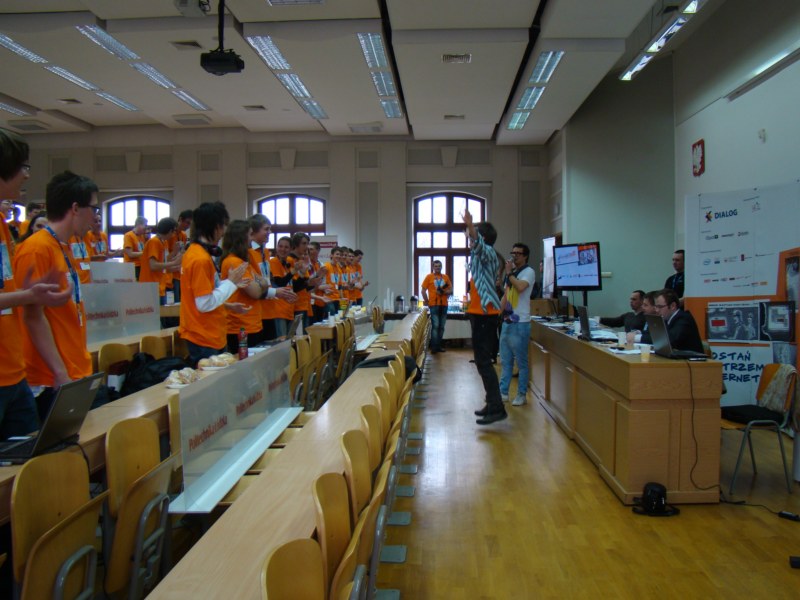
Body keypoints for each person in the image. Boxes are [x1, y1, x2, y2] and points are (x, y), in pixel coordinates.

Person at [0, 129, 73, 438]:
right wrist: (28, 295)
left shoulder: (2, 227)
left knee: (30, 459)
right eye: (23, 167)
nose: (27, 175)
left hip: (13, 372)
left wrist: (28, 295)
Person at [14, 171, 99, 418]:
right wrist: (60, 372)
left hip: (73, 369)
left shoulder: (64, 246)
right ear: (75, 208)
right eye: (93, 208)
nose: (96, 217)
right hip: (50, 378)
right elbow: (32, 317)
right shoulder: (37, 249)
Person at [178, 202, 249, 366]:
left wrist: (229, 297)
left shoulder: (197, 253)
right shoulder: (200, 259)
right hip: (203, 335)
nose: (223, 233)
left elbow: (204, 292)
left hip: (208, 332)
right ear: (216, 227)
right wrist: (230, 283)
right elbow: (204, 303)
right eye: (223, 226)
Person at [463, 209, 506, 425]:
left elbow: (479, 244)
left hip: (485, 315)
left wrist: (471, 227)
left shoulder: (488, 253)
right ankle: (491, 402)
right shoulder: (480, 256)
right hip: (479, 314)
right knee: (482, 363)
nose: (469, 238)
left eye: (472, 235)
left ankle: (497, 407)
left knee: (484, 363)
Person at [499, 243, 536, 406]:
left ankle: (521, 394)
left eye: (518, 253)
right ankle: (503, 392)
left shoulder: (529, 272)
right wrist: (498, 313)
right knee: (505, 360)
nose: (514, 256)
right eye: (513, 253)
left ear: (525, 256)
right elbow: (506, 295)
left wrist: (509, 273)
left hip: (521, 323)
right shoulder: (512, 274)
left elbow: (520, 287)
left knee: (521, 362)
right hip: (507, 321)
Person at [221, 220, 264, 352]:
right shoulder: (234, 262)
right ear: (241, 237)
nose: (252, 238)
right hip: (240, 325)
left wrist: (261, 283)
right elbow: (256, 292)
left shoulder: (244, 260)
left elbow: (265, 282)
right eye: (250, 234)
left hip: (251, 323)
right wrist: (260, 283)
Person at [138, 217, 182, 304]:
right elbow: (153, 265)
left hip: (159, 286)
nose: (174, 234)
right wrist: (174, 263)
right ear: (170, 231)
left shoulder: (163, 242)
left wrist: (176, 265)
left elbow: (163, 264)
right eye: (173, 231)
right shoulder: (154, 242)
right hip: (150, 288)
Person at [651, 288, 704, 353]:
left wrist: (641, 337)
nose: (656, 310)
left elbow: (670, 341)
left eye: (660, 307)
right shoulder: (666, 318)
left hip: (691, 358)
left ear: (672, 306)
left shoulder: (683, 319)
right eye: (656, 307)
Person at [267, 236, 298, 337]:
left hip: (290, 308)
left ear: (290, 249)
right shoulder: (273, 262)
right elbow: (279, 283)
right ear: (276, 247)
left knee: (290, 341)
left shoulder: (289, 262)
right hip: (278, 309)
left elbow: (294, 284)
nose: (283, 249)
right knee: (282, 342)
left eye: (286, 247)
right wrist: (293, 272)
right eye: (280, 246)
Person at [421, 260, 452, 354]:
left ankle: (438, 346)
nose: (437, 267)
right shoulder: (429, 277)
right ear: (433, 267)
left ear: (441, 267)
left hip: (444, 305)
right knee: (436, 326)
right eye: (435, 266)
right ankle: (434, 347)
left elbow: (450, 290)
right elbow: (423, 290)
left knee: (442, 327)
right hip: (433, 305)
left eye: (439, 266)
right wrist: (426, 301)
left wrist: (444, 292)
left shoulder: (445, 277)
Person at [170, 209, 192, 302]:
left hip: (180, 272)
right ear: (180, 219)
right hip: (170, 273)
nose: (188, 226)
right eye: (187, 222)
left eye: (190, 224)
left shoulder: (183, 235)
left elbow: (182, 252)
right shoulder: (170, 235)